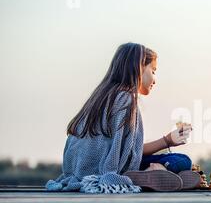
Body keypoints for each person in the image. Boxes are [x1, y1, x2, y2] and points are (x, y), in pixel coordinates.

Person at [46, 42, 200, 193]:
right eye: (153, 71)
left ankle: (161, 176)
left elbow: (126, 149)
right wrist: (167, 141)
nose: (155, 79)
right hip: (112, 171)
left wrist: (169, 140)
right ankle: (150, 173)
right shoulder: (126, 100)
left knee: (175, 160)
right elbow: (131, 155)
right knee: (181, 161)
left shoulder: (99, 99)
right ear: (139, 67)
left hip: (81, 171)